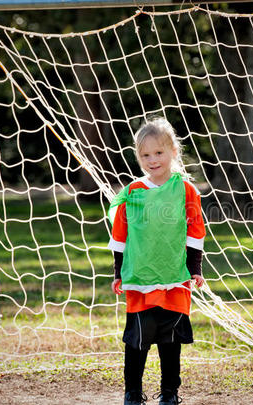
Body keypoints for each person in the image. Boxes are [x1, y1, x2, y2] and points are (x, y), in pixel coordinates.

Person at [108, 118, 206, 405]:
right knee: (137, 342)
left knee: (170, 343)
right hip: (140, 281)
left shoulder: (186, 190)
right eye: (145, 155)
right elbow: (120, 235)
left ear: (173, 151)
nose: (152, 160)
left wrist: (195, 268)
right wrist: (118, 272)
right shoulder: (133, 191)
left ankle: (169, 393)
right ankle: (133, 393)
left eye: (159, 153)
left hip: (175, 279)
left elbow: (195, 232)